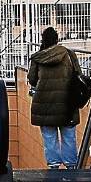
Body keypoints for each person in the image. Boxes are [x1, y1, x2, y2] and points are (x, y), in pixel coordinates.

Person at [28, 27, 81, 170]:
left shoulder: (38, 57)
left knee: (49, 138)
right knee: (69, 137)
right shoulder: (69, 54)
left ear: (43, 40)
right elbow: (78, 75)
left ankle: (53, 165)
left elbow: (32, 79)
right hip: (67, 103)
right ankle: (71, 166)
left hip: (44, 104)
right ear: (57, 39)